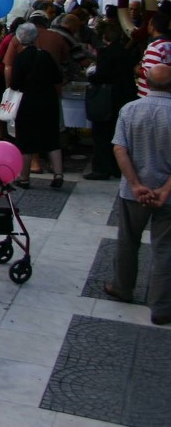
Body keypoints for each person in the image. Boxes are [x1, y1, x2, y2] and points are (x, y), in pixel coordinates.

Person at [107, 63, 171, 325]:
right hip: (167, 194)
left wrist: (135, 184)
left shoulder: (130, 109)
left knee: (127, 240)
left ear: (146, 81)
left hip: (134, 191)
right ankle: (162, 306)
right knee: (165, 249)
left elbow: (120, 149)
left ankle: (123, 287)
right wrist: (165, 190)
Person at [9, 22, 65, 189]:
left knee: (26, 140)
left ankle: (24, 176)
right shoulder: (46, 56)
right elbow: (58, 78)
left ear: (19, 39)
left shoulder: (20, 58)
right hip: (48, 101)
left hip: (27, 102)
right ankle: (58, 173)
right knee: (52, 138)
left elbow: (14, 84)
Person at [85, 20, 140, 180]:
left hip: (108, 98)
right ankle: (116, 167)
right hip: (125, 96)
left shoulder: (106, 53)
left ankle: (102, 168)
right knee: (119, 133)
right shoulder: (124, 51)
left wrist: (92, 76)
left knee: (102, 134)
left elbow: (101, 75)